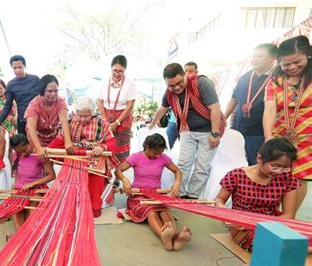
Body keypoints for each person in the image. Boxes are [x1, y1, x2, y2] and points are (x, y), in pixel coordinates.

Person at [148, 63, 225, 199]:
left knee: (202, 166)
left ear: (185, 75)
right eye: (172, 85)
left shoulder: (201, 83)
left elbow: (215, 109)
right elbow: (163, 108)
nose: (176, 88)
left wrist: (215, 133)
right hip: (186, 131)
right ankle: (180, 193)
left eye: (179, 82)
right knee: (183, 164)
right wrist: (152, 124)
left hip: (208, 132)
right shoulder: (169, 92)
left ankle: (193, 196)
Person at [215, 138, 299, 252]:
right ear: (259, 158)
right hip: (242, 226)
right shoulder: (236, 175)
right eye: (275, 166)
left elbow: (289, 215)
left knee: (301, 238)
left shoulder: (287, 179)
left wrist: (261, 223)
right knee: (263, 242)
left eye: (285, 168)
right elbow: (219, 199)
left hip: (273, 223)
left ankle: (296, 248)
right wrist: (226, 214)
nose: (279, 171)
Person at [115, 134, 191, 251]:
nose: (158, 156)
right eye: (155, 153)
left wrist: (177, 184)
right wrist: (125, 180)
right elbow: (118, 170)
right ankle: (164, 236)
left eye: (160, 153)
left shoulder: (162, 157)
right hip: (138, 194)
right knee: (151, 210)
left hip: (156, 194)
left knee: (164, 211)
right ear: (147, 147)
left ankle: (175, 238)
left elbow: (177, 171)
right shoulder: (136, 157)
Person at [263, 35, 311, 211]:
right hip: (281, 135)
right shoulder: (275, 81)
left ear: (308, 56)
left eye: (297, 62)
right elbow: (269, 109)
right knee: (276, 172)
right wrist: (269, 137)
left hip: (308, 139)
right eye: (286, 64)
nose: (291, 67)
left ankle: (289, 216)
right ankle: (273, 213)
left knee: (299, 177)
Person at [48, 97, 118, 218]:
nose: (82, 119)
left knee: (95, 179)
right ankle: (72, 207)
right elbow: (60, 139)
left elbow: (112, 142)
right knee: (69, 178)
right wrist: (48, 150)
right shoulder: (71, 122)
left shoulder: (102, 123)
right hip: (75, 157)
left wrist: (102, 148)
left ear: (92, 113)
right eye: (80, 115)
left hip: (95, 157)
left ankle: (94, 209)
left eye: (86, 116)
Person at [224, 43, 277, 165]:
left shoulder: (277, 78)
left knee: (256, 164)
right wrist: (223, 118)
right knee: (235, 163)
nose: (255, 59)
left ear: (272, 58)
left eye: (259, 56)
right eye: (253, 56)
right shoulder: (245, 77)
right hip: (238, 130)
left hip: (259, 133)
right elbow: (233, 99)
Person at [9, 133, 55, 230]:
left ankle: (31, 233)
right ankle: (20, 234)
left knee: (32, 208)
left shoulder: (40, 154)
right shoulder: (15, 155)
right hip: (21, 188)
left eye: (24, 150)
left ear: (29, 143)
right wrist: (16, 183)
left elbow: (51, 176)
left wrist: (33, 183)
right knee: (15, 208)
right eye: (19, 152)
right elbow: (18, 172)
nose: (22, 154)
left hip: (37, 188)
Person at [97, 55, 136, 168]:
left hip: (123, 118)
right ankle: (105, 173)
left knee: (120, 149)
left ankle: (118, 177)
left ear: (125, 70)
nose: (117, 73)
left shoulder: (130, 83)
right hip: (106, 116)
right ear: (111, 68)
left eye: (121, 71)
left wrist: (117, 123)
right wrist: (105, 120)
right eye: (115, 70)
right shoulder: (104, 81)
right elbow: (99, 102)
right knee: (104, 145)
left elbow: (129, 106)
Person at [25, 74, 73, 159]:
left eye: (56, 91)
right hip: (36, 137)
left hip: (52, 136)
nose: (53, 94)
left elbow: (64, 122)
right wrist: (38, 148)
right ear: (42, 91)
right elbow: (31, 128)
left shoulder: (60, 101)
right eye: (49, 91)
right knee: (41, 161)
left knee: (51, 159)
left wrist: (68, 141)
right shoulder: (34, 104)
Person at [0, 55, 39, 135]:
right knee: (23, 145)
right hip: (22, 120)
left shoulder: (35, 79)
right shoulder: (11, 85)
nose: (17, 70)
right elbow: (7, 106)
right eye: (14, 68)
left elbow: (43, 98)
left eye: (20, 67)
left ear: (24, 66)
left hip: (37, 119)